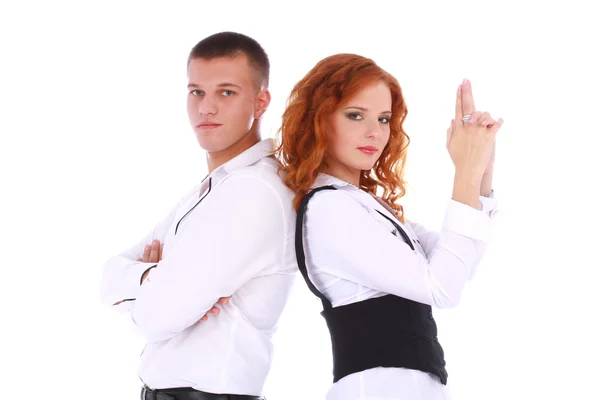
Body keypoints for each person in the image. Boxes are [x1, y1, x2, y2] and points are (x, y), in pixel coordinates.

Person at [276, 53, 503, 400]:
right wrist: (465, 171)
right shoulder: (329, 208)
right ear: (318, 120)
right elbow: (443, 288)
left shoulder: (361, 204)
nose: (374, 132)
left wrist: (481, 171)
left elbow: (459, 266)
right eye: (355, 115)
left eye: (384, 119)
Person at [100, 31, 297, 400]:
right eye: (197, 92)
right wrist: (153, 277)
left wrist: (151, 291)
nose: (206, 108)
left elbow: (157, 319)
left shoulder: (253, 191)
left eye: (226, 92)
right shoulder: (214, 187)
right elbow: (109, 274)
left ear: (261, 100)